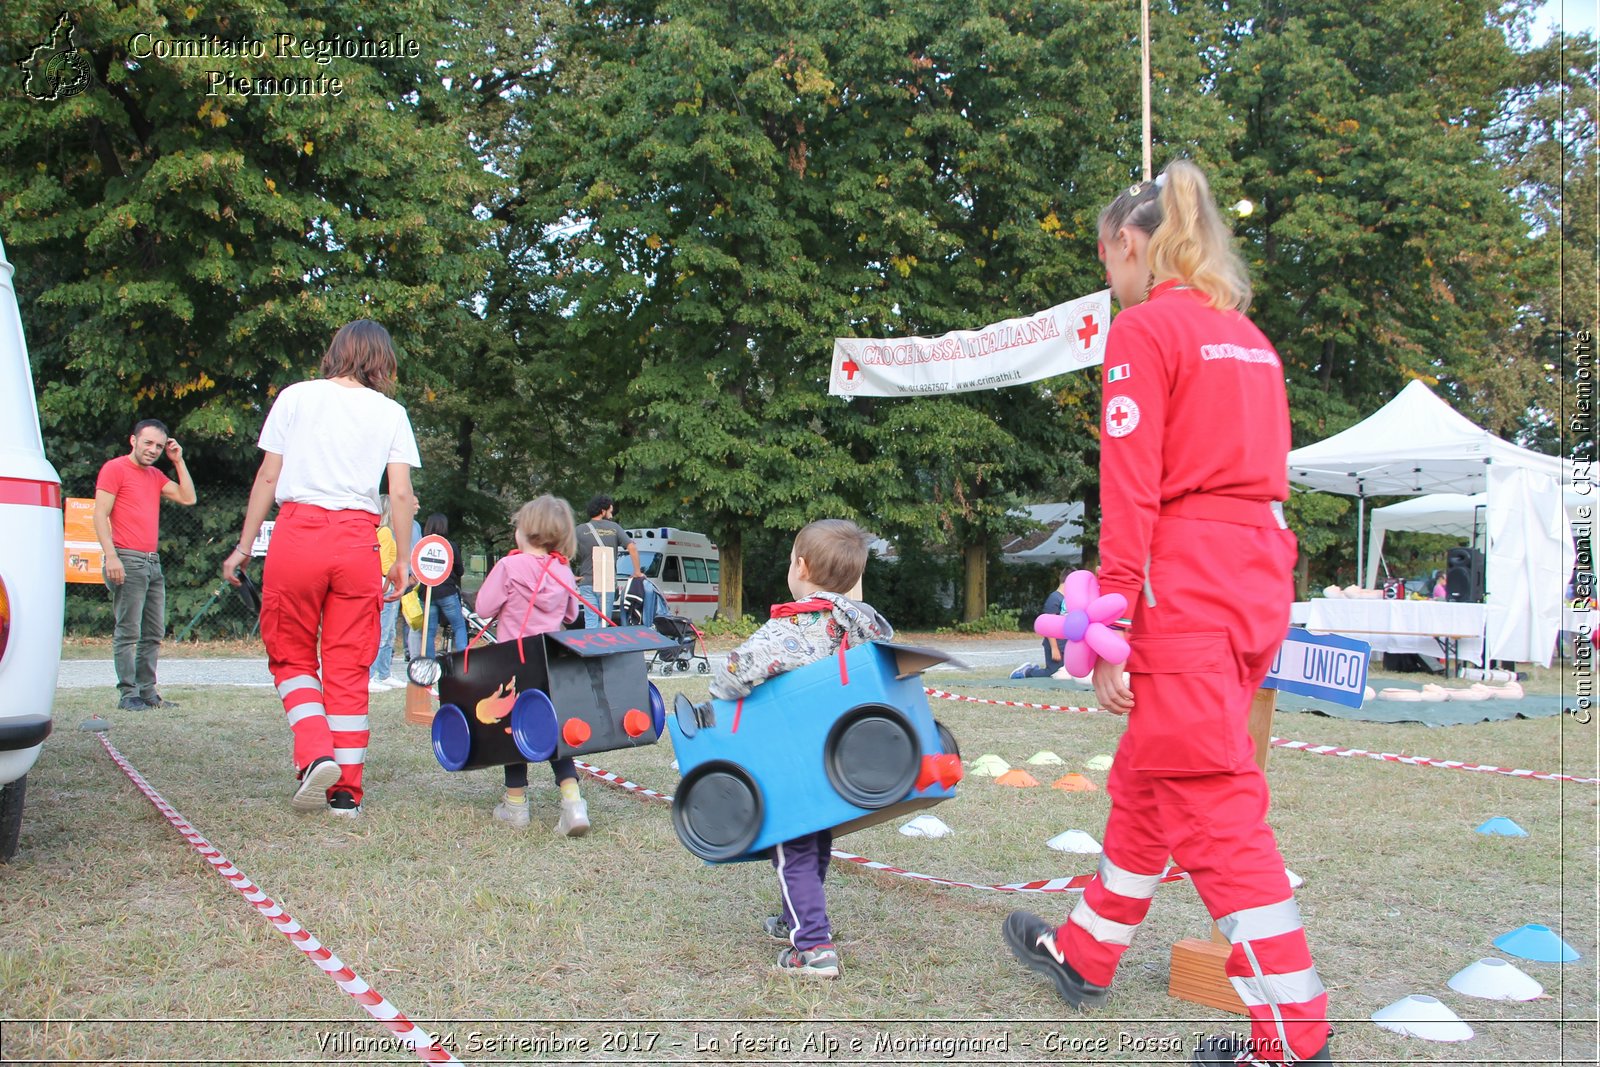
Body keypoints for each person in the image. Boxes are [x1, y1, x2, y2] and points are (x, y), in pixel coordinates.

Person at [1000, 162, 1332, 1067]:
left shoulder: (1144, 331)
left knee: (1214, 804)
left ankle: (1291, 1041)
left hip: (1182, 580)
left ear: (1129, 245)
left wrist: (1112, 622)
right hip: (1255, 573)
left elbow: (1131, 485)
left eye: (1105, 257)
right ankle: (1087, 950)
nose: (1107, 275)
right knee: (1152, 779)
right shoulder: (1248, 337)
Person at [221, 319, 418, 817]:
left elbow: (268, 476)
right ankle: (346, 795)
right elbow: (399, 493)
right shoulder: (391, 412)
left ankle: (315, 752)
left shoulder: (295, 397)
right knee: (350, 667)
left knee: (290, 654)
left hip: (298, 535)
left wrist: (245, 547)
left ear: (337, 352)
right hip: (358, 542)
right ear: (382, 359)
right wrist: (399, 560)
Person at [709, 519, 893, 980]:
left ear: (801, 566)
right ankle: (796, 920)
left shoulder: (791, 628)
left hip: (796, 759)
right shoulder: (866, 624)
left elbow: (732, 676)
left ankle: (812, 946)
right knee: (816, 838)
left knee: (791, 848)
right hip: (846, 761)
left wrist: (719, 689)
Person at [471, 496, 588, 835]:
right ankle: (573, 801)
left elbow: (483, 607)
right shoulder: (562, 569)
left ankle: (516, 805)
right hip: (551, 662)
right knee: (553, 729)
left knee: (513, 730)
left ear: (526, 531)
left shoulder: (509, 567)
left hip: (514, 662)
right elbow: (571, 615)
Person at [93, 418, 198, 710]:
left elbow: (188, 498)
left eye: (159, 446)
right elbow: (100, 514)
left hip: (153, 563)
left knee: (153, 631)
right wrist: (111, 556)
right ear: (133, 440)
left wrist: (178, 462)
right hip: (127, 559)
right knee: (128, 631)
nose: (153, 449)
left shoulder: (154, 476)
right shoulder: (115, 469)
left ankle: (147, 692)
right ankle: (129, 694)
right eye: (148, 442)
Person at [573, 495, 641, 627]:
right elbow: (632, 547)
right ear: (602, 511)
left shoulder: (579, 530)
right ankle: (601, 646)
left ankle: (590, 646)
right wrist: (637, 572)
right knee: (604, 622)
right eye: (610, 511)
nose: (611, 515)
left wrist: (570, 575)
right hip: (606, 583)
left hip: (586, 582)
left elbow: (563, 552)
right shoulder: (614, 528)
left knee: (591, 620)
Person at [1011, 567, 1073, 678]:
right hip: (1055, 644)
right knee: (1052, 672)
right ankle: (1027, 672)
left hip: (1065, 645)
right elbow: (1048, 626)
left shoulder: (1068, 599)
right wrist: (1054, 648)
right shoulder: (1054, 599)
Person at [368, 494, 402, 692]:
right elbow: (384, 563)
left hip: (380, 582)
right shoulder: (386, 533)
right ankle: (375, 674)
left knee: (387, 631)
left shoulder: (374, 531)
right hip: (386, 583)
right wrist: (394, 578)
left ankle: (383, 672)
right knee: (384, 631)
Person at [421, 513, 467, 657]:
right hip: (447, 591)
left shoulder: (422, 545)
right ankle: (462, 663)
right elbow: (459, 571)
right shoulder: (450, 546)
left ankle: (430, 666)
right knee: (459, 626)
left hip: (427, 592)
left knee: (429, 632)